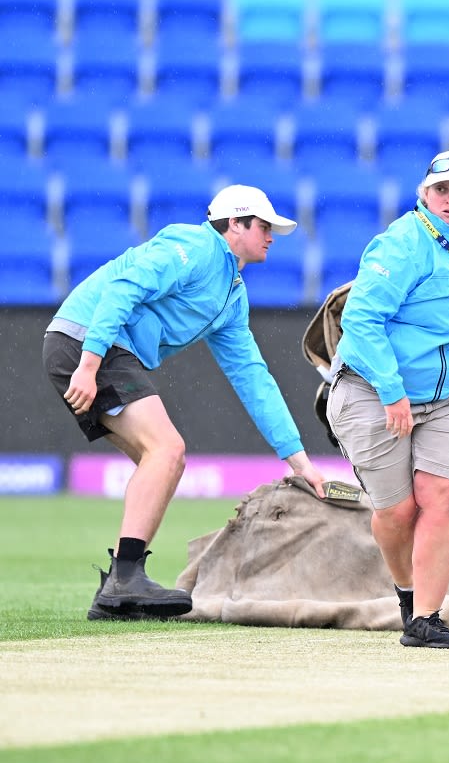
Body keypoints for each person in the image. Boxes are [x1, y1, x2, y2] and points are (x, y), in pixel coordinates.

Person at [44, 184, 328, 621]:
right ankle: (125, 578)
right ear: (235, 224)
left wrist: (299, 461)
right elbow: (124, 286)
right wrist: (88, 363)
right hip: (87, 340)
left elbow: (254, 379)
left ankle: (115, 592)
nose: (271, 235)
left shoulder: (232, 294)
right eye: (264, 226)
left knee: (161, 461)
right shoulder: (195, 245)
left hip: (88, 345)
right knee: (168, 450)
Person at [327, 149, 449, 650]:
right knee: (398, 513)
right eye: (440, 190)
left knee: (444, 498)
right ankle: (407, 596)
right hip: (371, 389)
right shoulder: (402, 243)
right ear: (425, 194)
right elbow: (361, 319)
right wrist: (392, 391)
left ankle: (426, 619)